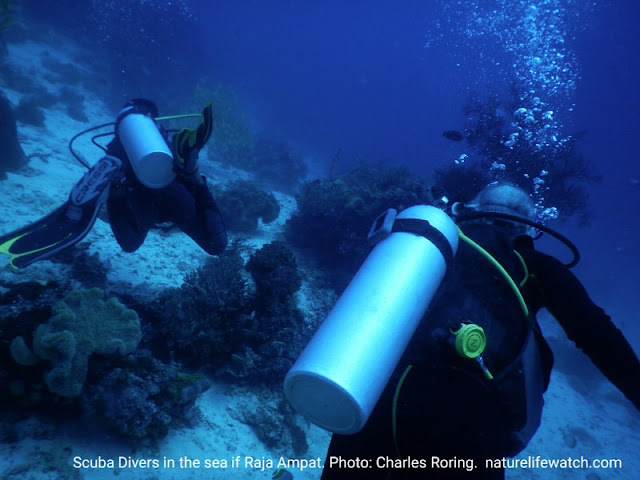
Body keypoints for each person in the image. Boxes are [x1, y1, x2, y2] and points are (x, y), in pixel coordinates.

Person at [320, 182, 640, 480]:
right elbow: (599, 337)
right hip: (469, 422)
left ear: (471, 210)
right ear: (529, 228)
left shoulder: (432, 248)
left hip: (378, 394)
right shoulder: (537, 265)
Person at [0, 98, 227, 269]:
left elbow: (115, 156)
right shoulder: (160, 143)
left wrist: (117, 184)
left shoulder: (125, 144)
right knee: (216, 245)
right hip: (173, 189)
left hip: (139, 192)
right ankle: (193, 174)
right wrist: (194, 182)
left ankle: (113, 189)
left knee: (129, 243)